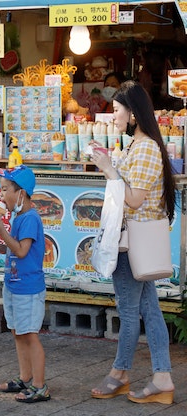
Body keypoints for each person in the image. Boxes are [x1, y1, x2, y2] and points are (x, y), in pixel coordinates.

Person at [90, 80, 176, 404]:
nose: (113, 117)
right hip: (131, 240)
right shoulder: (136, 146)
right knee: (149, 310)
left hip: (131, 241)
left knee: (128, 312)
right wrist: (108, 165)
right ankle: (162, 378)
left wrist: (109, 168)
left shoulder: (145, 148)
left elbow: (135, 199)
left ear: (133, 113)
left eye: (116, 110)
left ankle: (119, 373)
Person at [0, 165, 50, 403]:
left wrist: (1, 229)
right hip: (13, 284)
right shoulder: (18, 216)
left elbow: (23, 251)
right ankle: (25, 378)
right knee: (17, 332)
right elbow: (12, 248)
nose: (1, 195)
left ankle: (40, 385)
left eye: (5, 190)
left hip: (28, 288)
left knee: (30, 335)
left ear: (21, 193)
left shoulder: (31, 218)